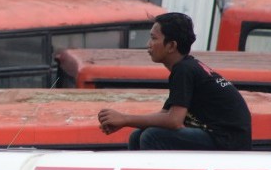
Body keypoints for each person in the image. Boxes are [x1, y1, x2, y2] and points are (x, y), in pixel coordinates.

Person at [97, 12, 252, 151]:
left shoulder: (184, 69)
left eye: (153, 38)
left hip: (228, 141)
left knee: (152, 136)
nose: (148, 44)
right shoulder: (187, 67)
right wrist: (124, 122)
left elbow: (174, 121)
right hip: (219, 137)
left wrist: (125, 118)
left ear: (171, 46)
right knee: (137, 135)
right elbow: (165, 114)